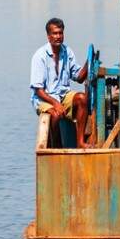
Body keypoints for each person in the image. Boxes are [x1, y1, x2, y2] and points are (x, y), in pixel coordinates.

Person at [30, 17, 91, 147]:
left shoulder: (67, 52)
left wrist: (89, 62)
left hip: (63, 96)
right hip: (44, 99)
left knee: (82, 99)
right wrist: (55, 103)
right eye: (55, 33)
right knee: (56, 114)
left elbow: (79, 78)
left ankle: (80, 142)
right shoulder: (40, 56)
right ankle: (56, 146)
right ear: (48, 36)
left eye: (60, 33)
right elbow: (38, 90)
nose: (58, 36)